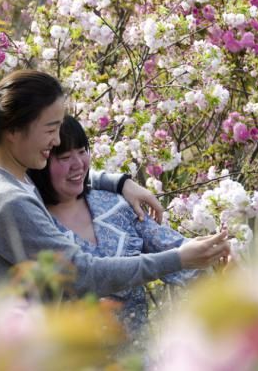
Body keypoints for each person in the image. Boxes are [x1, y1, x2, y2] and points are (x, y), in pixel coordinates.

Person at [0, 70, 229, 304]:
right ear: (13, 129)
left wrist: (119, 182)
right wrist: (179, 258)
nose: (56, 141)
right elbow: (82, 275)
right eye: (51, 129)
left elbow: (62, 177)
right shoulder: (8, 201)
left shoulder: (7, 177)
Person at [27, 115, 202, 338]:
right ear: (40, 161)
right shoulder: (33, 222)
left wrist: (214, 253)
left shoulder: (112, 204)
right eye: (64, 157)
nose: (78, 164)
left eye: (82, 151)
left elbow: (172, 247)